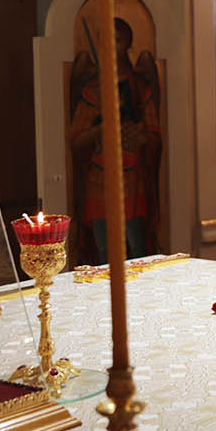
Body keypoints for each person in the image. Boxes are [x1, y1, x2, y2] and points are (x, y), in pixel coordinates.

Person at [67, 17, 162, 263]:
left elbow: (153, 135)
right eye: (105, 41)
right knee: (104, 250)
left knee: (136, 246)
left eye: (117, 40)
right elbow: (76, 140)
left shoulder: (140, 87)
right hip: (99, 176)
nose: (111, 46)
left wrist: (138, 136)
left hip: (132, 175)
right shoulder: (92, 90)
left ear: (127, 44)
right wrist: (101, 129)